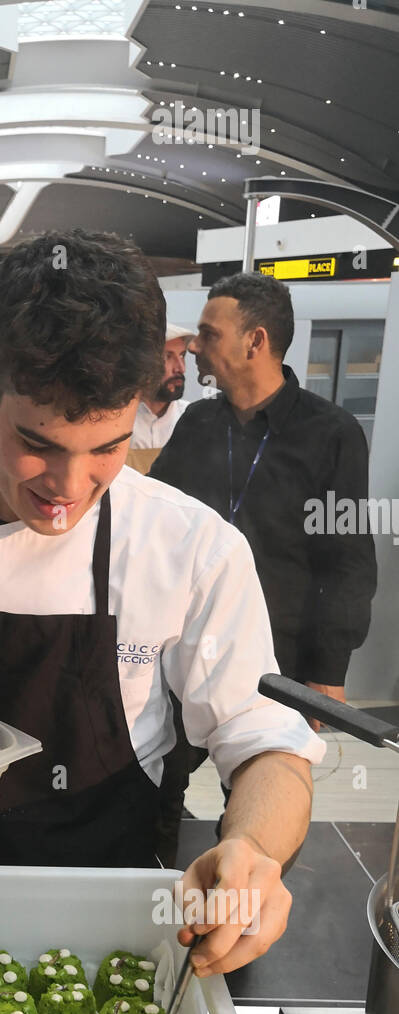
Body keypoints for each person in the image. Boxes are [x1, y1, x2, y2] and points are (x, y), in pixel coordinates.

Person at [0, 230, 327, 979]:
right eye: (38, 444)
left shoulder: (189, 547)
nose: (69, 487)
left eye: (106, 448)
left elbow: (267, 747)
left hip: (111, 916)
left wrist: (252, 849)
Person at [151, 273, 377, 716]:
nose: (194, 346)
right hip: (185, 641)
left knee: (265, 777)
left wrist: (328, 671)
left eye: (208, 334)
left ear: (255, 342)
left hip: (277, 659)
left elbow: (348, 561)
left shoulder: (332, 434)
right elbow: (155, 519)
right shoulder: (197, 422)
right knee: (160, 776)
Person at [125, 323, 193, 476]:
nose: (181, 368)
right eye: (168, 357)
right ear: (143, 363)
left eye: (182, 355)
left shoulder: (192, 419)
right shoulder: (117, 419)